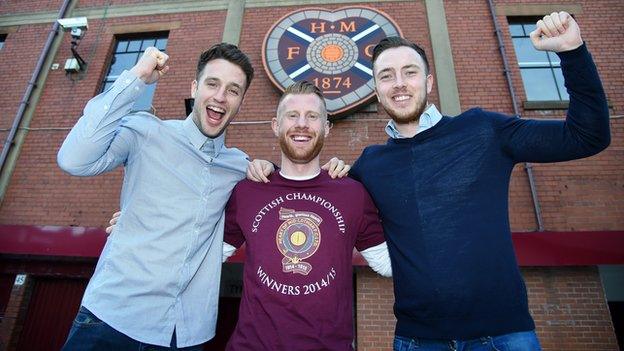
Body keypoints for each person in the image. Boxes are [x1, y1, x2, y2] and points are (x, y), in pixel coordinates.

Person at [57, 43, 346, 350]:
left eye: (233, 90)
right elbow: (74, 159)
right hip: (111, 320)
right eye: (212, 84)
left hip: (185, 335)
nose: (221, 96)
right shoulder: (146, 133)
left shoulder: (241, 167)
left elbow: (294, 185)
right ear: (195, 88)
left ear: (240, 102)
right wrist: (137, 77)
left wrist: (336, 172)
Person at [349, 12, 610, 351]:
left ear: (428, 83)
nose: (399, 83)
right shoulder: (370, 164)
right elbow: (324, 200)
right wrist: (260, 167)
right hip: (418, 339)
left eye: (409, 72)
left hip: (504, 336)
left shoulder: (482, 130)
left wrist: (572, 52)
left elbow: (587, 136)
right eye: (386, 76)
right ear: (377, 89)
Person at [222, 81, 391, 351]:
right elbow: (205, 255)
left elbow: (388, 263)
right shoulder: (247, 191)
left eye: (312, 116)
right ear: (275, 125)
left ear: (326, 128)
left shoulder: (353, 194)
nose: (302, 124)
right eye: (292, 115)